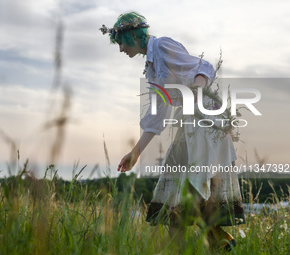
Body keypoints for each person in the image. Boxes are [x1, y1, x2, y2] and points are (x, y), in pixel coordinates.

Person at [100, 12, 245, 251]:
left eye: (122, 42)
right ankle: (216, 243)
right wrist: (135, 153)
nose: (121, 49)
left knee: (184, 190)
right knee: (174, 192)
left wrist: (196, 91)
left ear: (133, 35)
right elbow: (157, 117)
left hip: (205, 122)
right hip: (190, 124)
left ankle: (219, 243)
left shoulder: (163, 45)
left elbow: (204, 67)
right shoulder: (152, 67)